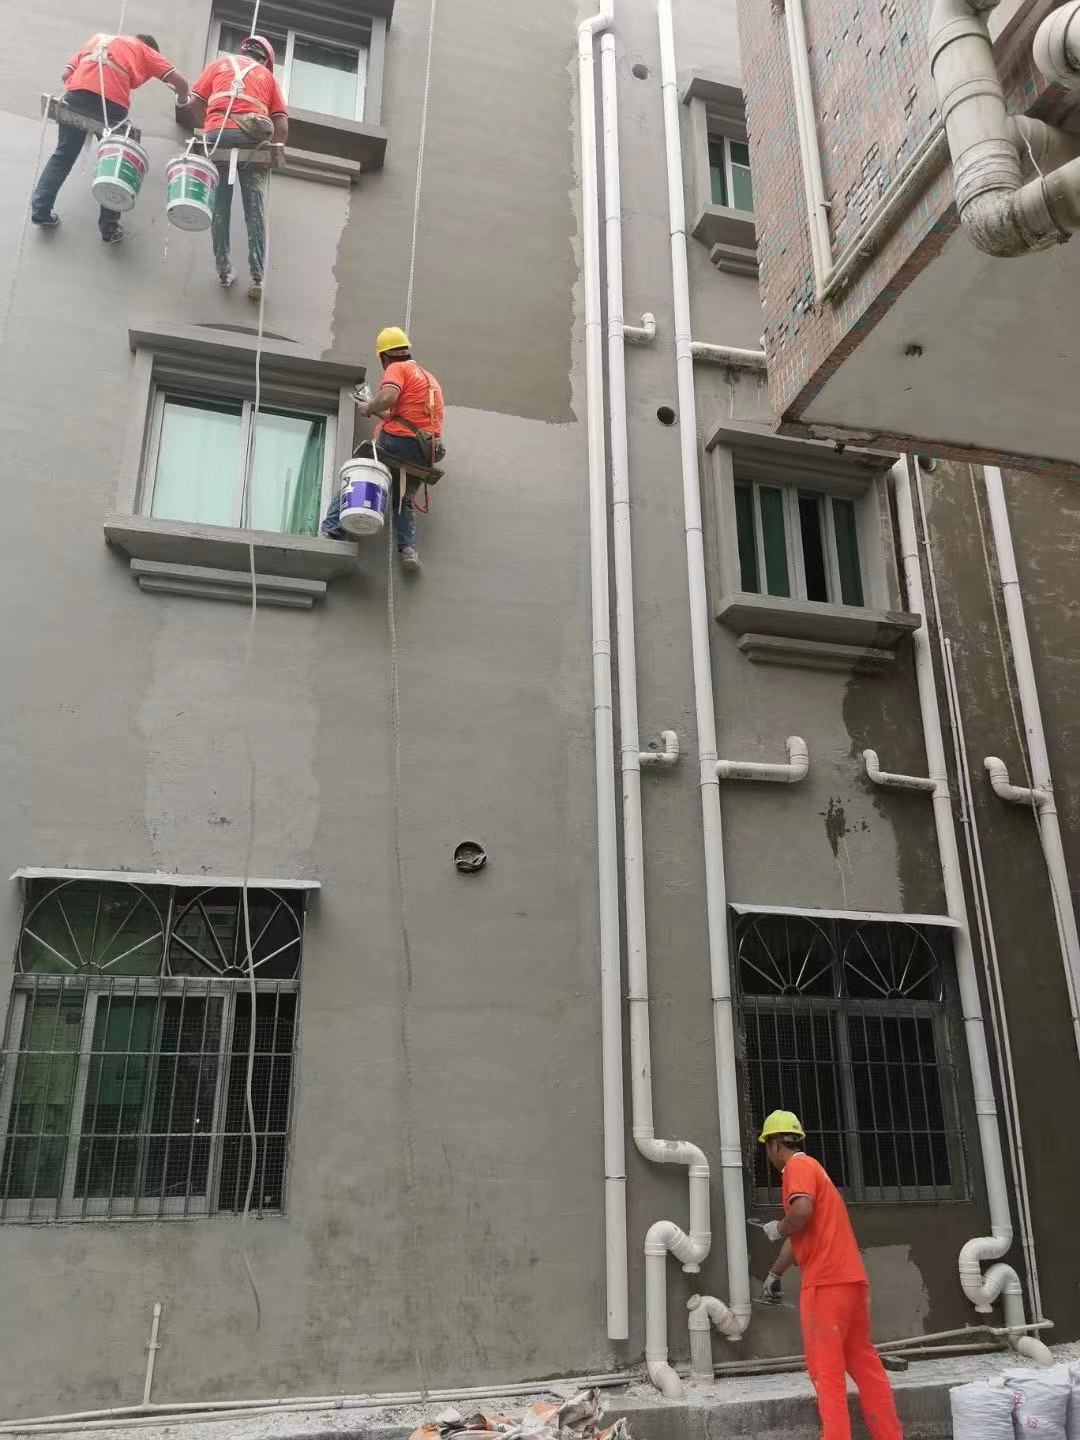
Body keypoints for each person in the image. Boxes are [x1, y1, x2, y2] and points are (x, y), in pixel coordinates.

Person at [757, 1110, 904, 1440]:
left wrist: (779, 1227)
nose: (768, 1154)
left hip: (825, 1285)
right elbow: (802, 1234)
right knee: (865, 1365)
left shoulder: (796, 1168)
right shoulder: (816, 1171)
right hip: (851, 1282)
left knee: (826, 1371)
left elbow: (801, 1213)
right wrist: (774, 1273)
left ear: (775, 1145)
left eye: (767, 1147)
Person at [31, 34, 190, 242]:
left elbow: (65, 75)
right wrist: (182, 101)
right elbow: (181, 82)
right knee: (117, 163)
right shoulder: (145, 50)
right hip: (112, 103)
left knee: (63, 156)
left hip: (76, 95)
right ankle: (109, 229)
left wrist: (85, 95)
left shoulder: (98, 39)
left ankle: (40, 210)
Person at [321, 326, 446, 574]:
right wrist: (377, 412)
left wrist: (369, 406)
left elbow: (389, 396)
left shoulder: (397, 368)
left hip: (400, 441)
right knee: (404, 499)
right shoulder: (429, 378)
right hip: (425, 451)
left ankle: (330, 529)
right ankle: (408, 550)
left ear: (385, 357)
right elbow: (406, 417)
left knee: (361, 466)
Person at [188, 36, 288, 300]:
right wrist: (274, 150)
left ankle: (223, 269)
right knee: (254, 207)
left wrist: (213, 128)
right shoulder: (267, 76)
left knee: (220, 205)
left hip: (217, 136)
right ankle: (257, 277)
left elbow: (194, 100)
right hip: (251, 139)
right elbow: (281, 123)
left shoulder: (218, 65)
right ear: (265, 60)